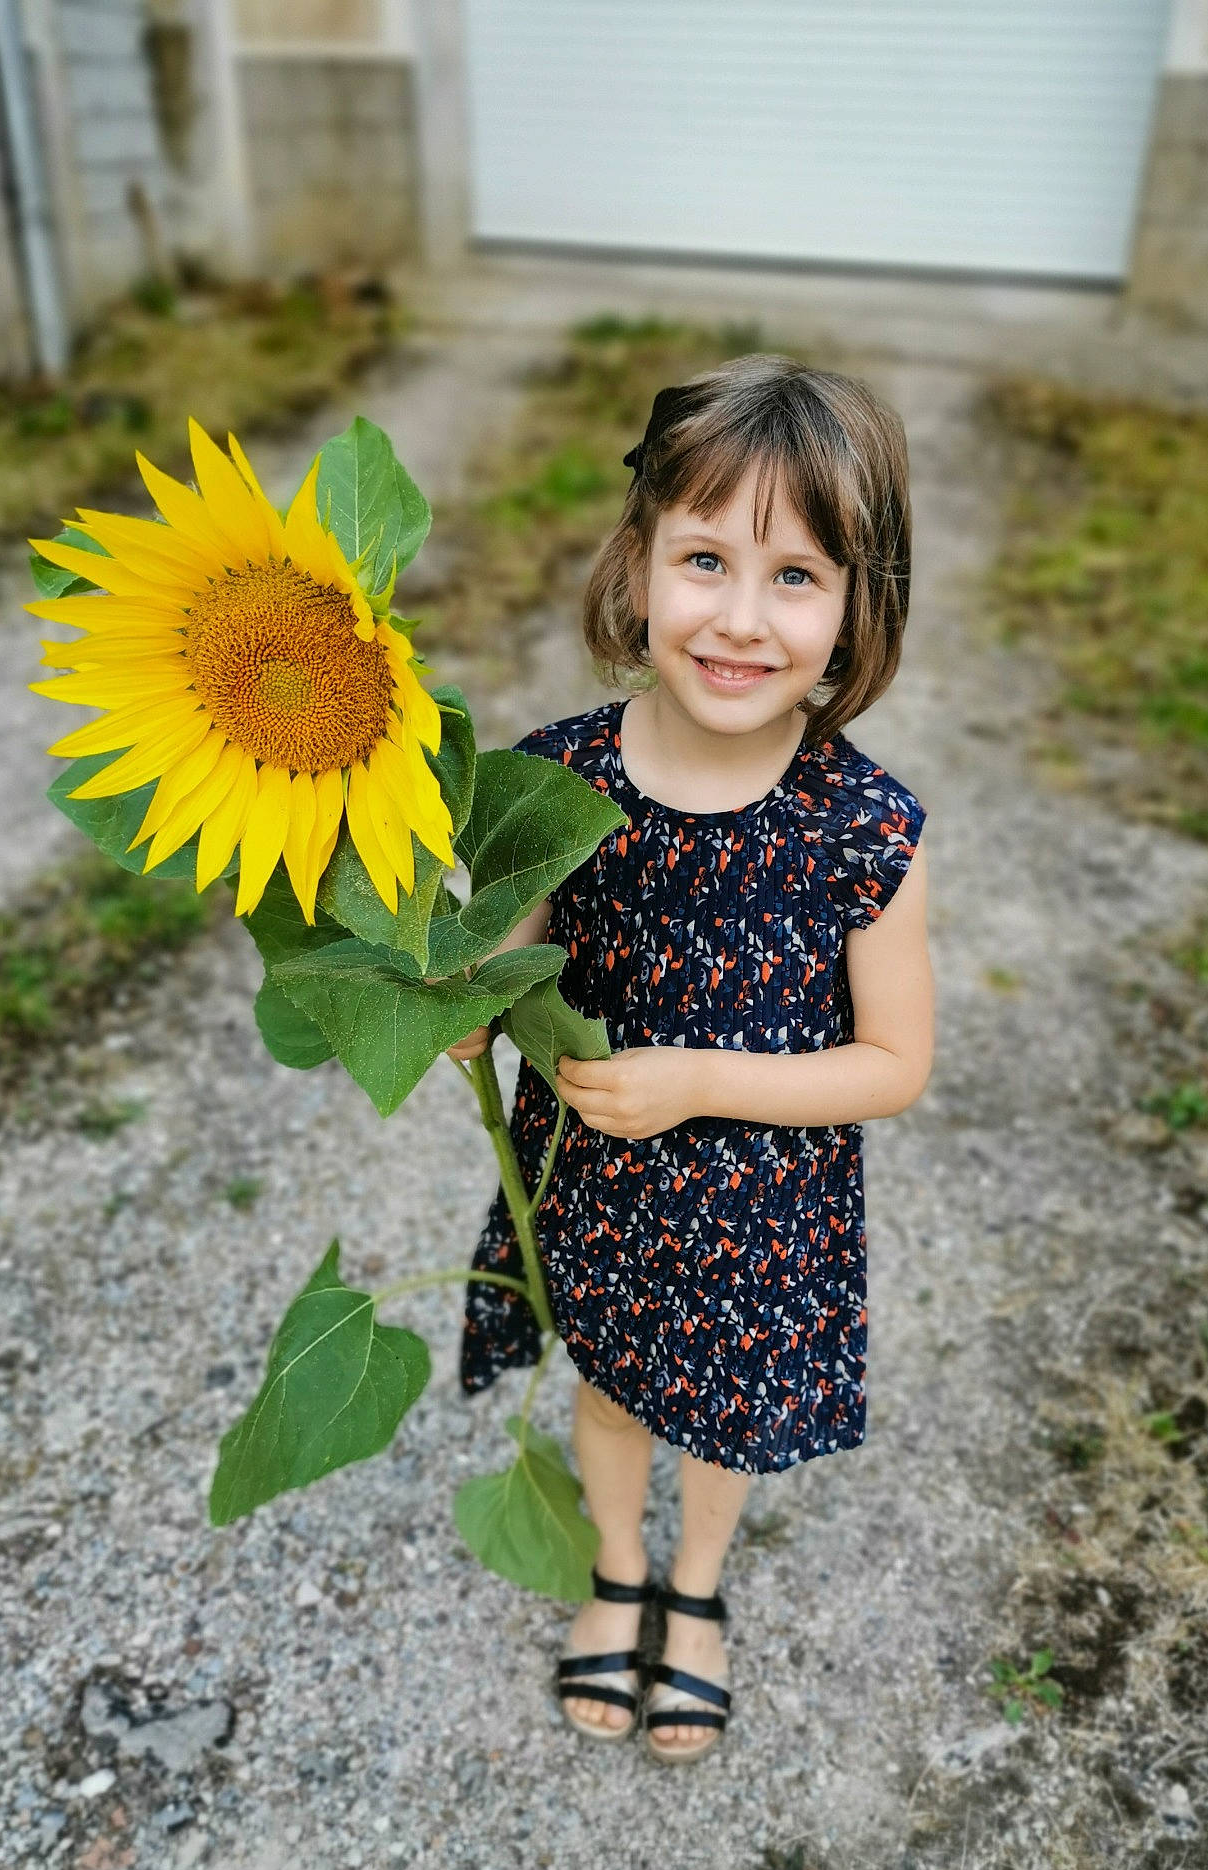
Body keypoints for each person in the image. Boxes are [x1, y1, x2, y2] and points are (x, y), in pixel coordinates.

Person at [445, 354, 933, 1764]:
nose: (737, 617)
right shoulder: (556, 781)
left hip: (761, 1206)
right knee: (608, 1384)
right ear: (639, 564)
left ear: (858, 610)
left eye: (796, 577)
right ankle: (614, 1570)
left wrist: (703, 1079)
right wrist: (453, 1002)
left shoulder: (866, 830)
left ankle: (697, 1589)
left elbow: (894, 1062)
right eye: (705, 557)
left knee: (723, 1417)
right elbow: (494, 979)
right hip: (595, 1182)